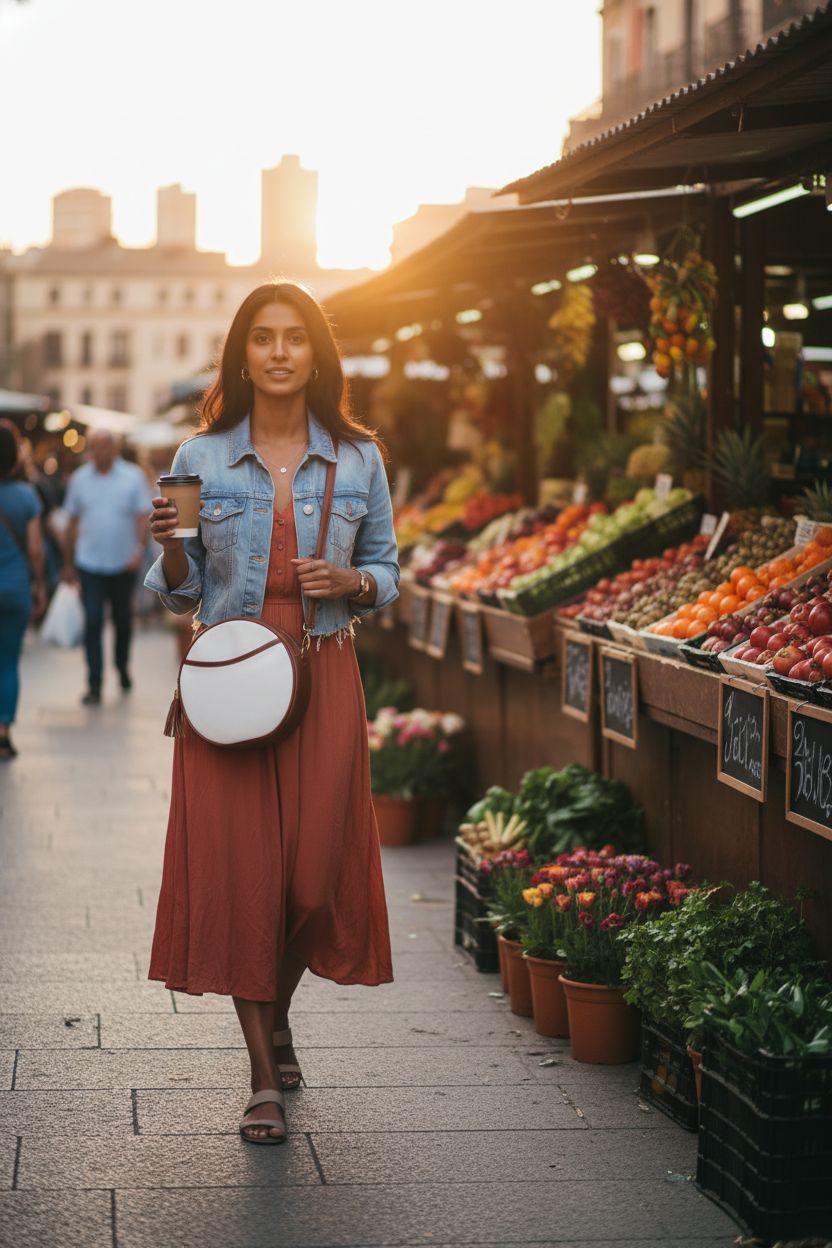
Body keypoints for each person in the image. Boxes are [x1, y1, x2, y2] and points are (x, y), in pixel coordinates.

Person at [146, 281, 399, 1145]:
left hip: (324, 671)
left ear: (317, 355)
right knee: (246, 872)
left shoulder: (360, 459)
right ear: (243, 354)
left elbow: (389, 573)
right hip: (229, 679)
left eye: (297, 337)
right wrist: (173, 549)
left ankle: (279, 1016)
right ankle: (261, 1073)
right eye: (264, 338)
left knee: (307, 876)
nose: (281, 352)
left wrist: (355, 582)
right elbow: (178, 596)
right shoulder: (200, 456)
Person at [62, 429, 152, 704]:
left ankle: (122, 666)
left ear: (115, 449)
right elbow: (72, 522)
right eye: (95, 447)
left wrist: (138, 551)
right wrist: (68, 563)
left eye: (105, 447)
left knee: (123, 621)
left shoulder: (133, 476)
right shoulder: (79, 480)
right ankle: (94, 683)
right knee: (93, 620)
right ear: (89, 450)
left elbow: (142, 517)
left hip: (123, 562)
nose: (100, 452)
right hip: (89, 562)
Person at [0, 424, 46, 759]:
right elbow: (35, 550)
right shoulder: (27, 496)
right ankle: (3, 734)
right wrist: (40, 584)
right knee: (8, 663)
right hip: (15, 588)